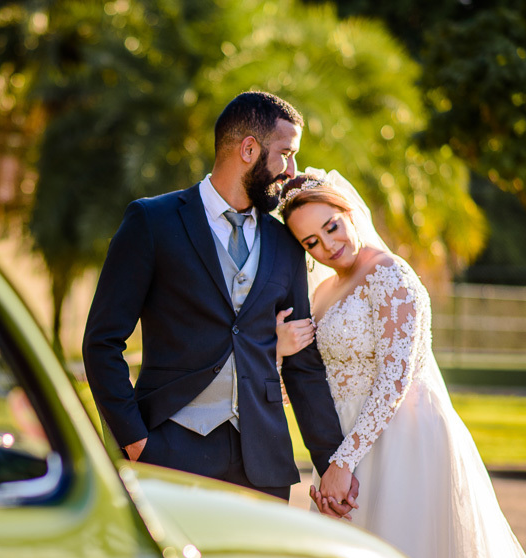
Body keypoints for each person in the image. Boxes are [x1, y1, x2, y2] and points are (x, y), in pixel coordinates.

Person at [277, 170, 526, 558]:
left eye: (331, 226)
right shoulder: (323, 291)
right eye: (311, 242)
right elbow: (317, 382)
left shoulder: (392, 276)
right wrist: (280, 350)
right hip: (346, 444)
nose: (327, 246)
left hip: (404, 442)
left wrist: (342, 463)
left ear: (348, 212)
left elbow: (393, 381)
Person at [83, 91, 355, 511]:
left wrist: (332, 463)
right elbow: (102, 342)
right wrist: (135, 441)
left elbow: (302, 364)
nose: (293, 170)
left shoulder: (285, 242)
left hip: (263, 466)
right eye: (286, 153)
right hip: (169, 453)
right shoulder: (153, 221)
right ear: (249, 149)